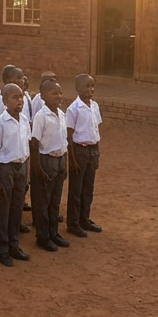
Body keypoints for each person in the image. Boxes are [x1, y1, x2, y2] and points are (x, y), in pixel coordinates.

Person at [29, 79, 69, 253]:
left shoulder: (62, 114)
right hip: (45, 161)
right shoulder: (41, 116)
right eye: (54, 93)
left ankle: (54, 232)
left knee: (54, 201)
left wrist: (64, 163)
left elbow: (64, 141)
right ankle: (43, 236)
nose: (59, 96)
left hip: (59, 160)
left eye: (60, 93)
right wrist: (38, 168)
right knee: (42, 201)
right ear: (43, 96)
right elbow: (34, 144)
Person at [65, 74, 103, 237]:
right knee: (76, 189)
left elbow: (95, 129)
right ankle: (73, 223)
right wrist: (72, 159)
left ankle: (84, 219)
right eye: (87, 86)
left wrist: (97, 153)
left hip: (92, 150)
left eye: (92, 86)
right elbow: (69, 135)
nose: (90, 89)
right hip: (79, 151)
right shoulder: (73, 109)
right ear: (77, 88)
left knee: (88, 188)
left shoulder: (94, 106)